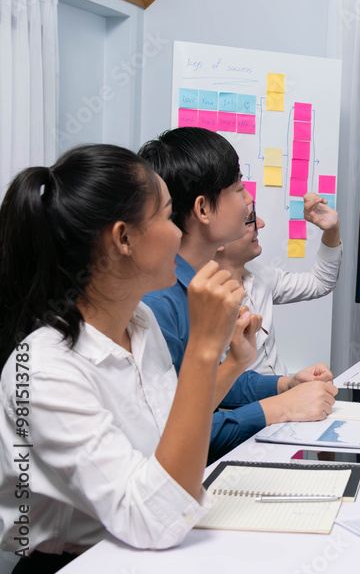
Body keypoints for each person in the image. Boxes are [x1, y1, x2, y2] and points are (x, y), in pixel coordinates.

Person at [0, 145, 254, 572]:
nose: (178, 235)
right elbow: (152, 520)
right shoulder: (44, 370)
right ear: (123, 238)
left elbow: (169, 427)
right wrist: (204, 347)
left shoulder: (140, 323)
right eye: (168, 217)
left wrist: (230, 364)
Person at [139, 127, 338, 463]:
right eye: (238, 187)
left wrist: (284, 385)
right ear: (203, 210)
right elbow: (174, 433)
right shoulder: (158, 302)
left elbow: (203, 390)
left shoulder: (204, 287)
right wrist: (280, 407)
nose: (248, 201)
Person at [214, 191, 342, 376]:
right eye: (249, 219)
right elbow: (217, 384)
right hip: (253, 395)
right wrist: (287, 385)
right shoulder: (201, 302)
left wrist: (332, 230)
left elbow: (320, 282)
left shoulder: (259, 274)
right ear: (217, 237)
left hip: (284, 389)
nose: (261, 223)